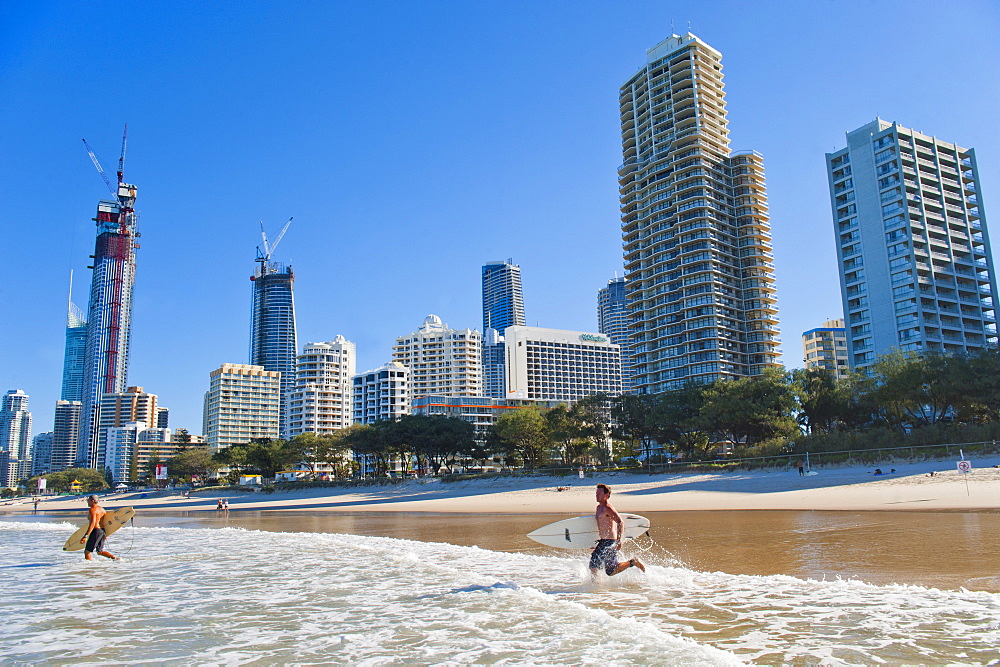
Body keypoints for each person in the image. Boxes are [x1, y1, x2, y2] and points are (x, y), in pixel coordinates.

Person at [590, 484, 645, 577]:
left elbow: (620, 522)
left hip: (610, 541)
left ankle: (633, 562)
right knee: (593, 566)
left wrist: (619, 540)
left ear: (606, 495)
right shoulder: (598, 508)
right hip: (603, 541)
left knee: (610, 571)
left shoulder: (608, 508)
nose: (596, 495)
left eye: (599, 493)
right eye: (596, 493)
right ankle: (597, 588)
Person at [79, 495, 118, 561]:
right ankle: (115, 559)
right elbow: (106, 522)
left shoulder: (93, 510)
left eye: (88, 500)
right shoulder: (102, 509)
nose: (87, 502)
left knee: (87, 551)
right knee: (100, 551)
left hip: (96, 531)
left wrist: (86, 536)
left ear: (92, 501)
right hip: (102, 531)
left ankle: (88, 566)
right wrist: (106, 533)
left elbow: (93, 523)